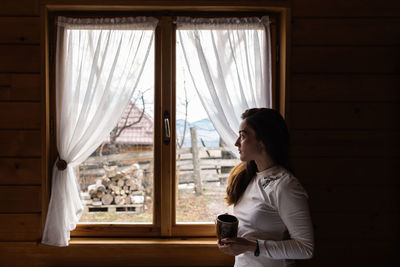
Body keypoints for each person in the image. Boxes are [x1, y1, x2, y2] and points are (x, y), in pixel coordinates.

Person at [217, 108, 314, 267]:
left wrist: (250, 246)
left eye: (243, 136)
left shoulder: (285, 186)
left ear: (263, 141)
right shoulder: (249, 178)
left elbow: (305, 248)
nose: (236, 143)